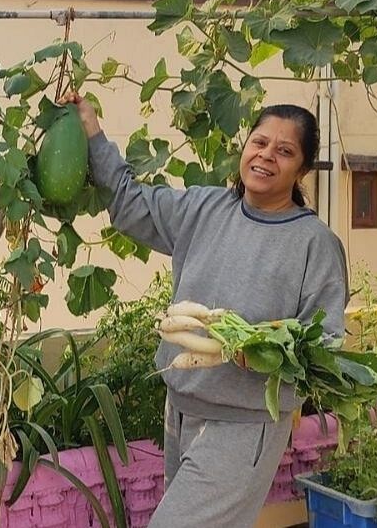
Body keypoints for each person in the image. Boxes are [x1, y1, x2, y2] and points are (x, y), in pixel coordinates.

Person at [66, 94, 348, 527]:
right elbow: (130, 203)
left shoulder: (315, 244)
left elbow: (325, 346)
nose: (266, 155)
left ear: (302, 169)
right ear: (245, 146)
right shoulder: (204, 209)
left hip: (244, 426)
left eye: (285, 151)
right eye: (259, 142)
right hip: (180, 407)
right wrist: (90, 128)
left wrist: (256, 348)